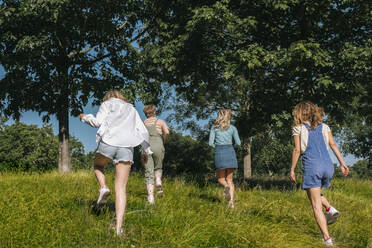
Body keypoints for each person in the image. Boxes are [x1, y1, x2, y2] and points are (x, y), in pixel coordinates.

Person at [80, 89, 152, 236]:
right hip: (127, 147)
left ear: (108, 97)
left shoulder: (107, 104)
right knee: (121, 188)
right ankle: (119, 228)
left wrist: (84, 117)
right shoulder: (131, 109)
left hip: (108, 142)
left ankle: (103, 187)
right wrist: (146, 152)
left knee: (98, 165)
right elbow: (142, 131)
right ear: (122, 97)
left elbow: (97, 122)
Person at [289, 101, 349, 246]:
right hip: (328, 165)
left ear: (299, 113)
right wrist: (342, 163)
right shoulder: (325, 127)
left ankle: (327, 239)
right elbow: (333, 144)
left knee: (315, 205)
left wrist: (292, 169)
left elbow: (297, 150)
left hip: (312, 165)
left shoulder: (298, 128)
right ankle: (329, 208)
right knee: (313, 194)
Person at [209, 108, 241, 208]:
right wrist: (231, 148)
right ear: (228, 116)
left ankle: (226, 187)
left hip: (219, 152)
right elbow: (239, 143)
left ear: (219, 116)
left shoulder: (214, 128)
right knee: (230, 179)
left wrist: (218, 147)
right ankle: (231, 203)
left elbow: (210, 143)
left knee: (221, 179)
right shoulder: (233, 128)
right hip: (230, 152)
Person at [142, 104, 170, 204]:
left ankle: (151, 198)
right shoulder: (160, 121)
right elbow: (167, 132)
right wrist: (164, 141)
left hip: (146, 147)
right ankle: (158, 180)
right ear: (155, 112)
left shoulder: (143, 123)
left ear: (146, 114)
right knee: (158, 167)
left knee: (148, 172)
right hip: (158, 143)